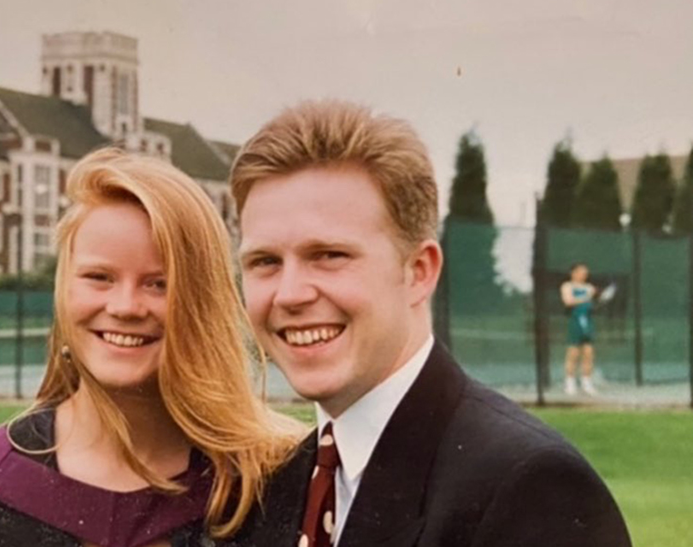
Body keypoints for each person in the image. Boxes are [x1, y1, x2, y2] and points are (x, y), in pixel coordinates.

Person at [224, 100, 631, 547]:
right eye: (264, 261)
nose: (290, 293)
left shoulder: (528, 488)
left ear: (419, 271)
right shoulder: (274, 491)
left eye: (329, 256)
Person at [0, 148, 301, 547]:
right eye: (99, 277)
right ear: (63, 290)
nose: (125, 306)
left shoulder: (276, 491)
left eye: (159, 284)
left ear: (204, 300)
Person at [561, 263, 598, 396]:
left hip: (587, 323)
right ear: (574, 273)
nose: (584, 275)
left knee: (588, 353)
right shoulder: (567, 286)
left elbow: (592, 305)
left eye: (586, 272)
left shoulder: (589, 287)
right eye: (581, 272)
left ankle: (586, 382)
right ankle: (570, 383)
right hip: (575, 322)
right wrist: (586, 297)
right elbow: (568, 301)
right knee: (573, 353)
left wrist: (591, 295)